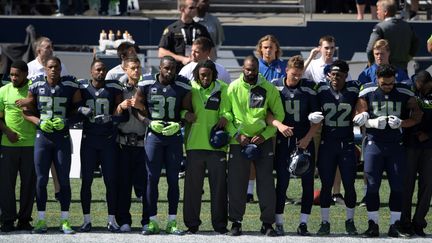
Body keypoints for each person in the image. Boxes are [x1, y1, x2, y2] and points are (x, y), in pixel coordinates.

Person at [354, 64, 422, 237]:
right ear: (377, 78)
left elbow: (417, 116)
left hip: (396, 146)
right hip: (374, 143)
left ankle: (395, 225)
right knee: (372, 186)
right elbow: (360, 115)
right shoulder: (367, 90)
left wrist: (402, 123)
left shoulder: (405, 92)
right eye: (384, 84)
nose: (388, 87)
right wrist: (370, 122)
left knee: (398, 186)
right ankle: (373, 224)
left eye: (391, 83)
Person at [18, 56, 81, 234]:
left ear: (61, 69)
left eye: (57, 67)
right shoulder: (36, 85)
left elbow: (80, 110)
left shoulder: (70, 85)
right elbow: (26, 111)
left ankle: (65, 220)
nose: (54, 70)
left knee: (64, 180)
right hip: (43, 137)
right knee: (41, 180)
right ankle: (41, 220)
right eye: (51, 67)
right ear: (45, 69)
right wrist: (38, 122)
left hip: (61, 138)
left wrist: (67, 121)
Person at [224, 55, 284, 236]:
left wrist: (265, 135)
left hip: (262, 141)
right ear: (243, 68)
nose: (250, 72)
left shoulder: (268, 88)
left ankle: (267, 224)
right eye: (248, 69)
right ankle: (236, 222)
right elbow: (226, 115)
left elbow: (279, 116)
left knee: (266, 183)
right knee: (236, 183)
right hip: (238, 141)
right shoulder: (233, 88)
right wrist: (236, 134)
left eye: (254, 70)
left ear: (258, 69)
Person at [134, 56, 192, 235]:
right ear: (160, 68)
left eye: (173, 69)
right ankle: (151, 221)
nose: (169, 72)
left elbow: (188, 111)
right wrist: (148, 122)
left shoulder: (183, 85)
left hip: (173, 136)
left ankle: (172, 222)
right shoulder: (146, 83)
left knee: (173, 180)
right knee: (152, 179)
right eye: (166, 68)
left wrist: (180, 123)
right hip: (154, 136)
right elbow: (136, 107)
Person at [268, 55, 321, 236]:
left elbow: (317, 119)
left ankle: (303, 223)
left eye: (299, 74)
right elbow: (266, 113)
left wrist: (308, 138)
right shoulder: (275, 85)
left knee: (307, 183)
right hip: (284, 141)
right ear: (286, 70)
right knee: (282, 183)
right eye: (293, 74)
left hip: (304, 139)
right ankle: (279, 222)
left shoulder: (308, 88)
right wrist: (279, 125)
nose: (296, 78)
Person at [77, 59, 125, 232]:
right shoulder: (82, 88)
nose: (101, 72)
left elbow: (123, 116)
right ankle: (86, 220)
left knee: (111, 182)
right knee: (86, 182)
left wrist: (111, 118)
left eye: (103, 69)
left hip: (108, 142)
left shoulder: (113, 88)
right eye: (97, 70)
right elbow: (72, 107)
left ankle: (111, 220)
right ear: (91, 71)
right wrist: (80, 109)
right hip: (89, 140)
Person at [183, 60, 230, 234]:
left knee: (219, 189)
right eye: (202, 74)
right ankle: (192, 224)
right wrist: (184, 114)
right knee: (192, 189)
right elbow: (181, 109)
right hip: (194, 145)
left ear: (213, 74)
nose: (205, 78)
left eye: (208, 74)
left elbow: (228, 111)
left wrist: (225, 116)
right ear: (197, 74)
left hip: (217, 147)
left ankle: (219, 225)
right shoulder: (190, 89)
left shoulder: (223, 88)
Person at [316, 60, 360, 236]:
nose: (335, 78)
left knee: (349, 185)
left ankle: (350, 221)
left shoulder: (354, 90)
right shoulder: (321, 89)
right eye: (333, 74)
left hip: (347, 144)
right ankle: (324, 222)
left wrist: (361, 112)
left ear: (346, 76)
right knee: (326, 185)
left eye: (339, 75)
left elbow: (363, 102)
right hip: (327, 144)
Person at [303, 35, 347, 205]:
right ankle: (308, 193)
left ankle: (336, 193)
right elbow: (299, 75)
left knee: (334, 158)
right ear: (319, 48)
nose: (329, 51)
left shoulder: (339, 66)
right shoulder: (313, 65)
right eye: (326, 47)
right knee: (310, 157)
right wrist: (310, 57)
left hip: (333, 119)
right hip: (315, 119)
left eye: (332, 48)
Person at [0, 61, 36, 232]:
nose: (13, 78)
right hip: (8, 145)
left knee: (28, 185)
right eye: (11, 75)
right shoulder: (3, 91)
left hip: (31, 145)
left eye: (17, 75)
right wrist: (8, 132)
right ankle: (7, 220)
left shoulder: (34, 89)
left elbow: (41, 108)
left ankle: (24, 220)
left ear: (25, 74)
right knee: (6, 185)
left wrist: (30, 101)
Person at [115, 56, 149, 233]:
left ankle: (146, 220)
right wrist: (120, 107)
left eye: (138, 68)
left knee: (145, 186)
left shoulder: (147, 89)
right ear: (125, 70)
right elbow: (112, 117)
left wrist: (142, 107)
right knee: (124, 185)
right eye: (132, 68)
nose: (136, 71)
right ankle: (124, 220)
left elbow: (154, 115)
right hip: (123, 144)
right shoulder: (119, 90)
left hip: (143, 145)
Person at [400, 70, 432, 237]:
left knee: (426, 186)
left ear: (429, 84)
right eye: (417, 87)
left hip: (429, 147)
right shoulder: (409, 90)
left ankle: (419, 223)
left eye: (422, 88)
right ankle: (405, 223)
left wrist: (428, 134)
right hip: (410, 144)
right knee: (407, 185)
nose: (419, 91)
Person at [158, 0, 214, 72]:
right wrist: (182, 59)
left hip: (198, 71)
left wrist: (207, 64)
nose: (195, 10)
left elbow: (211, 50)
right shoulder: (172, 29)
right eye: (191, 7)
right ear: (182, 9)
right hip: (177, 71)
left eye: (196, 7)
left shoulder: (201, 29)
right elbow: (161, 52)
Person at [366, 0, 419, 71]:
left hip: (384, 72)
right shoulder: (407, 26)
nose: (377, 12)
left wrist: (373, 65)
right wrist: (408, 57)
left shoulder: (380, 27)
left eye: (378, 9)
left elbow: (370, 49)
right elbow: (416, 42)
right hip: (403, 68)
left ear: (385, 12)